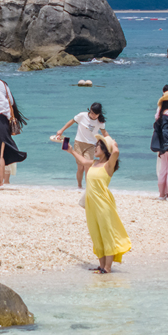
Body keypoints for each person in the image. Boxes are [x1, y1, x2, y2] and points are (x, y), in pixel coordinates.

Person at [66, 133, 129, 273]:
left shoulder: (109, 165)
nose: (95, 148)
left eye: (98, 146)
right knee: (96, 233)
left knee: (106, 233)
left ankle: (107, 267)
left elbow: (116, 152)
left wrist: (112, 142)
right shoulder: (94, 163)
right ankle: (101, 265)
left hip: (104, 204)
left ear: (105, 149)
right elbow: (82, 161)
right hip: (91, 205)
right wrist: (71, 150)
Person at [55, 103, 109, 189]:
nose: (93, 115)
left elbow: (104, 132)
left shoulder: (100, 122)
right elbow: (71, 122)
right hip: (79, 143)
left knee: (88, 167)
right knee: (80, 168)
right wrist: (61, 130)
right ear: (90, 110)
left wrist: (110, 142)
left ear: (99, 114)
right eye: (92, 113)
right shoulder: (82, 115)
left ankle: (88, 188)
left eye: (96, 114)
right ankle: (79, 186)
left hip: (91, 145)